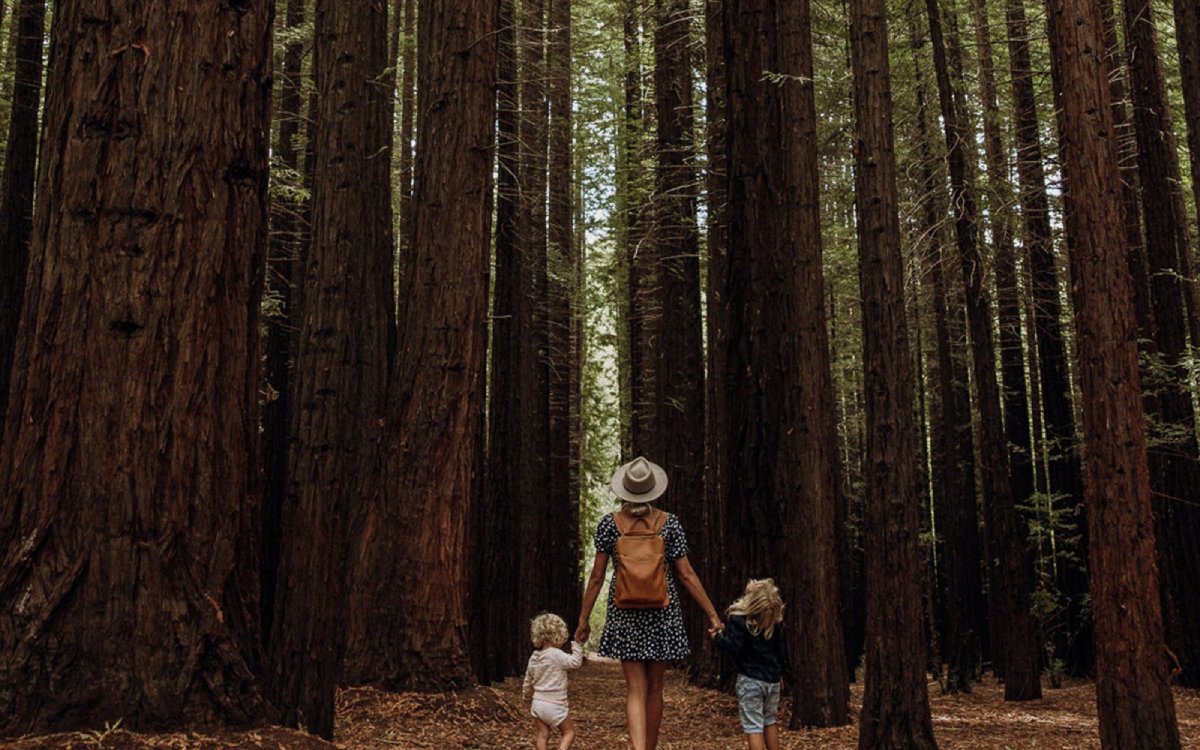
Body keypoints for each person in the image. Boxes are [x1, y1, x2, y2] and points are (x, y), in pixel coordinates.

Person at [575, 456, 722, 750]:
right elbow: (686, 574)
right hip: (663, 611)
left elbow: (596, 577)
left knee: (635, 689)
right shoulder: (669, 523)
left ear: (624, 492)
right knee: (656, 688)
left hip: (624, 611)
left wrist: (583, 621)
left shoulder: (609, 525)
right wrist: (713, 615)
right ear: (653, 490)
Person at [712, 579, 792, 750]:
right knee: (769, 721)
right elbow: (781, 652)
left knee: (753, 726)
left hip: (750, 681)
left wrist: (717, 638)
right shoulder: (773, 622)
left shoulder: (738, 620)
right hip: (772, 680)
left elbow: (734, 646)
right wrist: (782, 674)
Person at [522, 613, 585, 750]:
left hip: (537, 703)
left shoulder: (534, 657)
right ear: (559, 634)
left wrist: (526, 696)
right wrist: (578, 646)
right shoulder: (556, 654)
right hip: (556, 704)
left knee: (542, 734)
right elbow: (575, 662)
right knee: (569, 732)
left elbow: (528, 679)